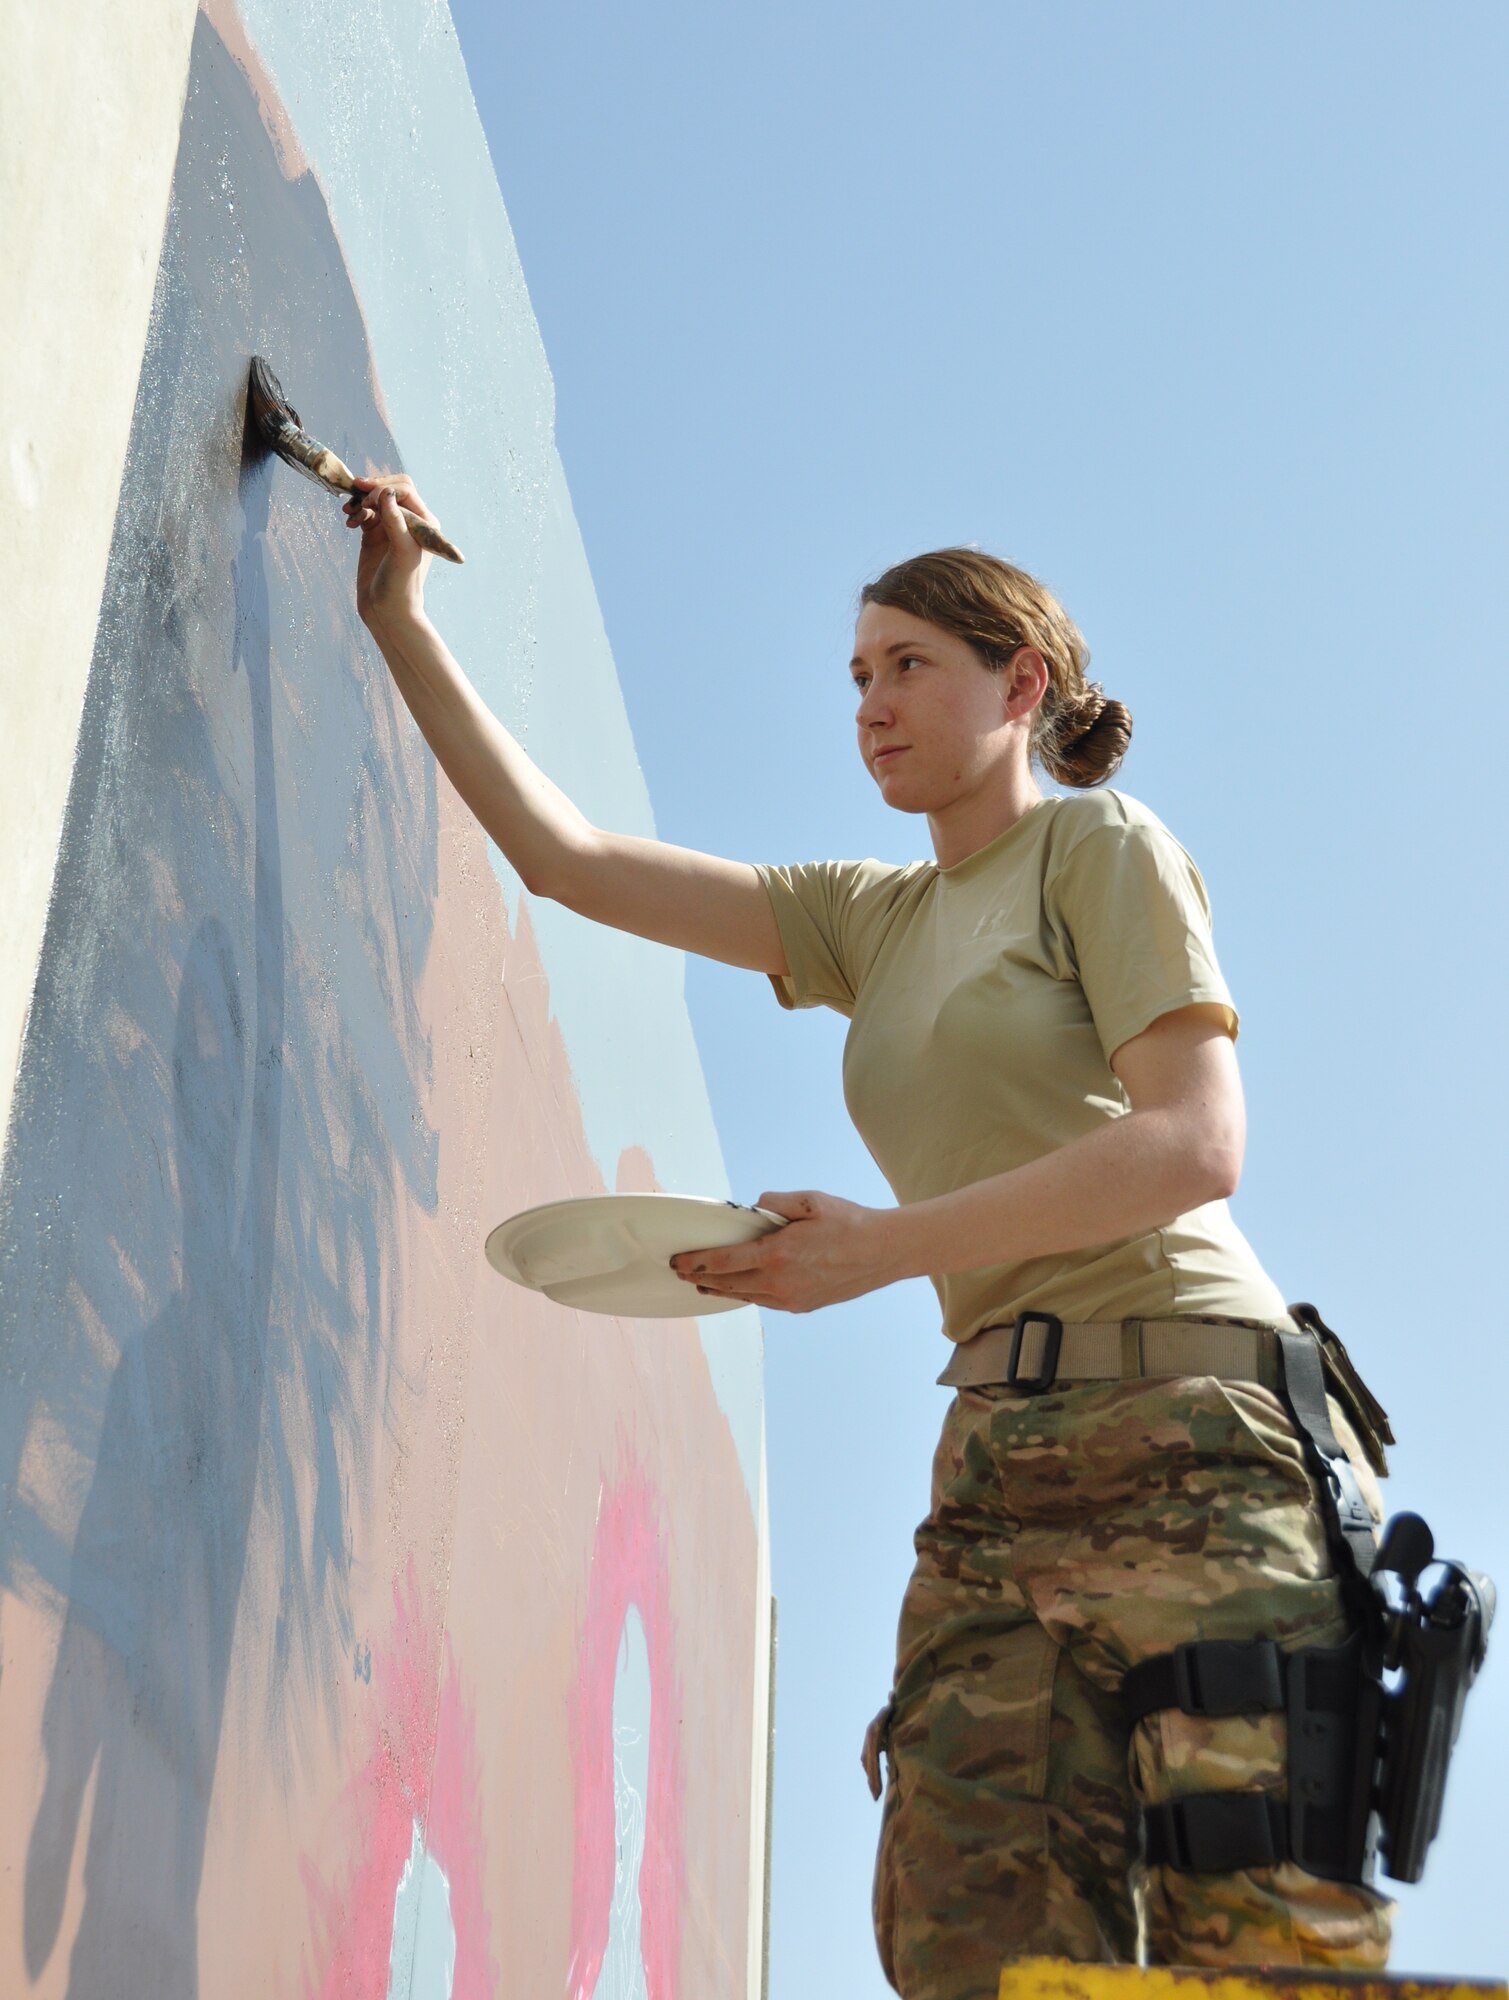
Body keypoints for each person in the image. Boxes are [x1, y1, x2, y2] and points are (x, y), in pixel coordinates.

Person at [345, 478, 1393, 1996]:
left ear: (1018, 685)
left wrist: (884, 1247)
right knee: (968, 1949)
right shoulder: (868, 920)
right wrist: (396, 618)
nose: (870, 703)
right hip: (993, 1463)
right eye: (855, 675)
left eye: (907, 665)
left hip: (1195, 1432)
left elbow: (1192, 1142)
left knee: (1263, 1956)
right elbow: (565, 860)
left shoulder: (1096, 849)